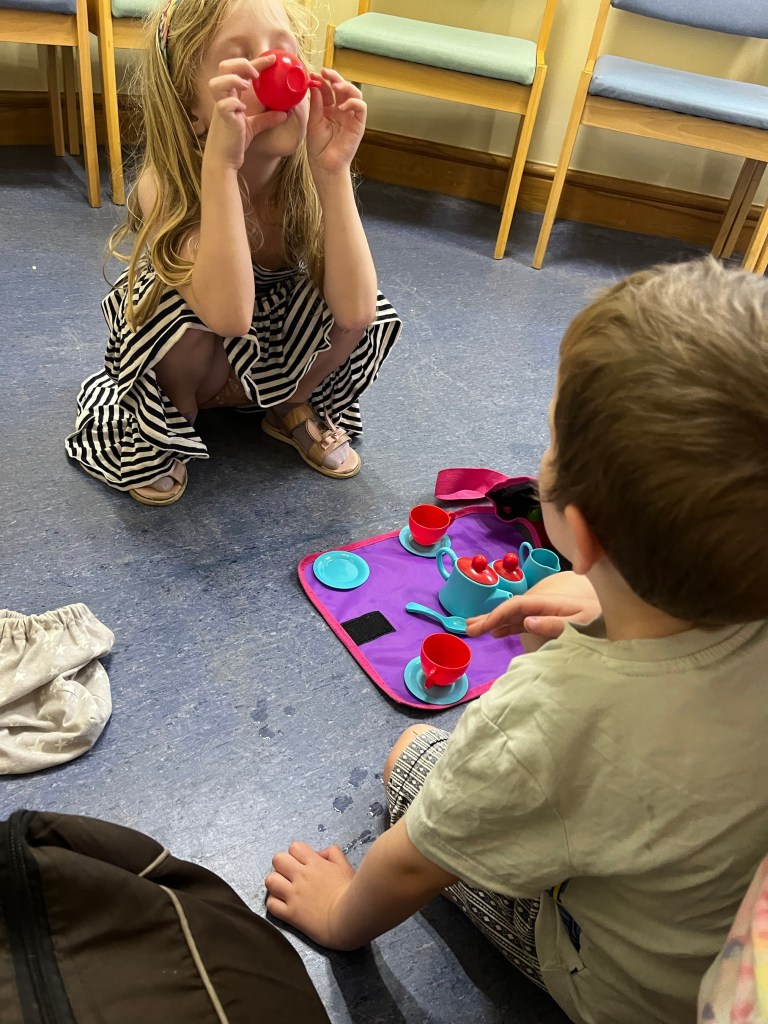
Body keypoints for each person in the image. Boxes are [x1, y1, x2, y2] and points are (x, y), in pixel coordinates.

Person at [264, 258, 768, 1024]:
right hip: (706, 933)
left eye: (553, 440)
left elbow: (418, 861)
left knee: (411, 758)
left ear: (581, 535)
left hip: (617, 989)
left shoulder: (544, 712)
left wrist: (339, 915)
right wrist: (608, 598)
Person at [65, 0, 401, 505]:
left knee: (368, 300)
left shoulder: (306, 182)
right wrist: (221, 167)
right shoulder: (166, 184)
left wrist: (333, 173)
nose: (275, 71)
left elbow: (356, 313)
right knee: (175, 316)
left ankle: (290, 406)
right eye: (242, 61)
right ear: (191, 108)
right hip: (200, 356)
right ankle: (172, 425)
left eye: (286, 52)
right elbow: (227, 315)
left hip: (271, 357)